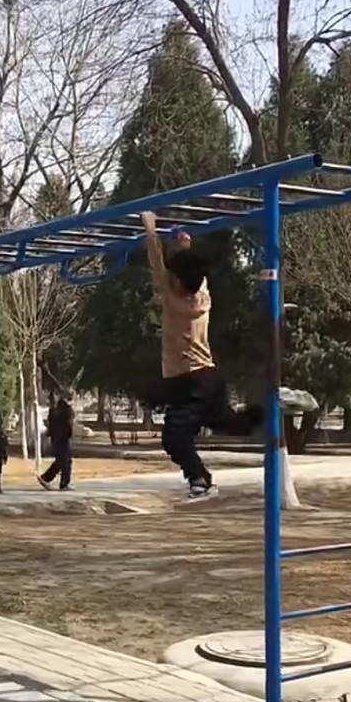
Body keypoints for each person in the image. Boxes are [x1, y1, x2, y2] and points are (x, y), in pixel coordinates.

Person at [141, 211, 262, 499]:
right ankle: (272, 406)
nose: (169, 279)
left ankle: (201, 481)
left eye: (173, 278)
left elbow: (157, 263)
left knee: (174, 437)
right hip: (204, 379)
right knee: (226, 422)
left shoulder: (174, 301)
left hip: (191, 382)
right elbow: (186, 270)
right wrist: (184, 246)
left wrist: (151, 230)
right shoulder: (202, 294)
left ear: (179, 284)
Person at [37, 395, 74, 491]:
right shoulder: (67, 411)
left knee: (61, 461)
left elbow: (50, 424)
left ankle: (46, 478)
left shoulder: (53, 411)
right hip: (63, 438)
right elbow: (69, 424)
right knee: (65, 461)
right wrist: (70, 434)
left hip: (55, 438)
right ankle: (62, 483)